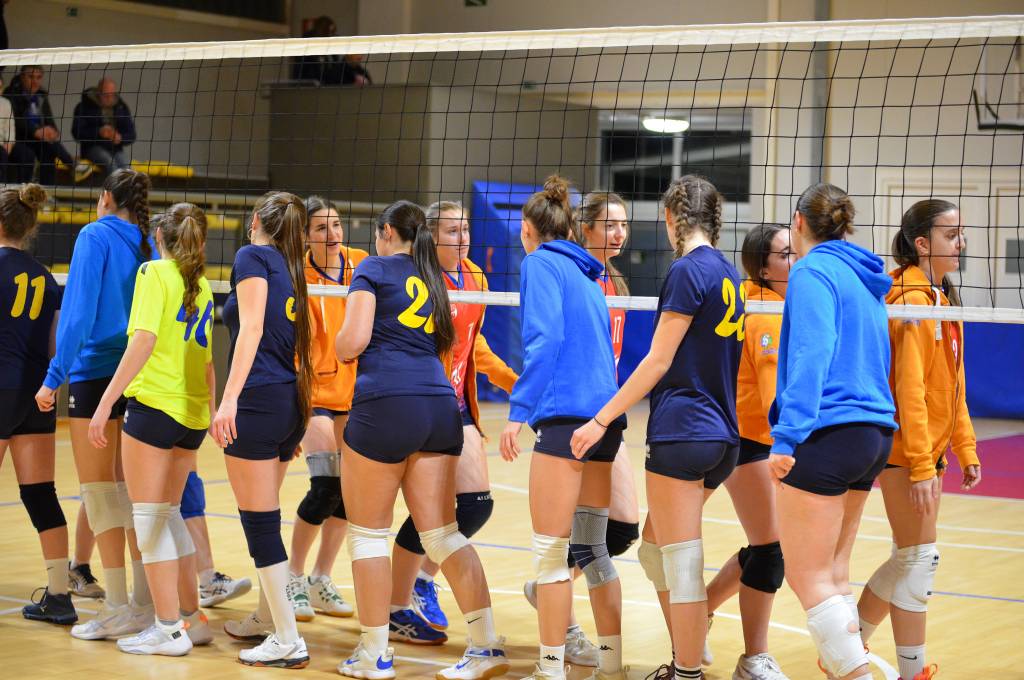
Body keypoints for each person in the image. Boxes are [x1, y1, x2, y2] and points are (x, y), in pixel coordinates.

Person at [571, 175, 745, 680]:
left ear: (672, 218)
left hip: (683, 431)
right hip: (722, 435)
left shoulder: (687, 270)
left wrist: (600, 419)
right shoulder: (728, 272)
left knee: (681, 563)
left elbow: (657, 361)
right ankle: (690, 642)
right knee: (653, 551)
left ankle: (686, 670)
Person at [336, 200, 508, 680]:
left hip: (384, 405)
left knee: (368, 536)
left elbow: (353, 341)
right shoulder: (437, 278)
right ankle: (485, 646)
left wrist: (339, 346)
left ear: (387, 232)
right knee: (444, 534)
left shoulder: (372, 268)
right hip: (439, 406)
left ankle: (374, 654)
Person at [766, 183, 896, 680]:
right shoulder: (865, 276)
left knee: (808, 577)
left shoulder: (811, 271)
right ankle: (846, 665)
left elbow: (813, 353)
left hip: (829, 432)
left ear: (799, 222)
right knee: (835, 575)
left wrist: (786, 436)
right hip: (873, 433)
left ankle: (856, 673)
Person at [499, 177, 625, 680]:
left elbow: (545, 340)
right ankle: (611, 663)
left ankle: (550, 670)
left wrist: (517, 410)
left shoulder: (539, 263)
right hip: (604, 423)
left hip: (566, 425)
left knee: (551, 556)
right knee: (592, 550)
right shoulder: (587, 273)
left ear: (527, 230)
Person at [856, 200, 980, 680]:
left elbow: (953, 384)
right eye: (952, 235)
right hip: (907, 451)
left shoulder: (939, 296)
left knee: (910, 558)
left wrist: (965, 447)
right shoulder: (908, 298)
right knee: (918, 560)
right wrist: (923, 464)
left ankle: (848, 647)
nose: (961, 243)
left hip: (928, 449)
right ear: (923, 244)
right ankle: (894, 665)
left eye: (961, 233)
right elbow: (908, 389)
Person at [85, 203, 215, 656]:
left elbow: (143, 341)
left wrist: (106, 402)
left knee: (149, 519)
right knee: (170, 514)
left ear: (159, 236)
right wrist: (210, 410)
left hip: (156, 407)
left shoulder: (153, 272)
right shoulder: (202, 284)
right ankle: (192, 619)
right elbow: (208, 362)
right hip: (192, 414)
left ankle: (168, 629)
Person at [387, 200, 517, 645]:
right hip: (422, 404)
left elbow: (474, 345)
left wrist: (514, 383)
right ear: (430, 235)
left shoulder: (475, 276)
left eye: (465, 230)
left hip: (458, 407)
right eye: (452, 232)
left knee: (476, 505)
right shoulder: (419, 279)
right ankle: (395, 607)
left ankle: (423, 579)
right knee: (429, 514)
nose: (462, 239)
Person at [35, 168, 155, 641]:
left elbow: (79, 313)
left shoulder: (94, 235)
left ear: (105, 197)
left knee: (100, 493)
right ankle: (144, 604)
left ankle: (119, 606)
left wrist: (53, 377)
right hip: (138, 374)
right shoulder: (149, 241)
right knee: (132, 494)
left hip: (95, 373)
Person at [212, 192, 312, 668]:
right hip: (289, 401)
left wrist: (229, 398)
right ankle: (269, 617)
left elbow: (250, 329)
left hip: (258, 399)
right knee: (267, 518)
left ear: (255, 221)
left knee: (260, 525)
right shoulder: (292, 267)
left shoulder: (253, 256)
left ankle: (288, 638)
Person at [703, 224, 794, 680]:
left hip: (729, 433)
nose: (796, 261)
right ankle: (753, 659)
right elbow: (771, 390)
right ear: (763, 268)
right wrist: (789, 442)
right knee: (771, 550)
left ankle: (699, 610)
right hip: (750, 439)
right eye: (786, 254)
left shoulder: (750, 301)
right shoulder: (764, 315)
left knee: (767, 546)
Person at [285, 195, 365, 621]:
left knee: (350, 495)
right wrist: (296, 413)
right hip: (315, 397)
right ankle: (293, 576)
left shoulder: (360, 264)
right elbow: (294, 348)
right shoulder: (297, 275)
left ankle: (320, 578)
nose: (332, 234)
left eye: (336, 225)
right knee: (325, 489)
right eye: (321, 228)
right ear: (305, 236)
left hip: (353, 398)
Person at [0, 183, 75, 625]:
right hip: (34, 393)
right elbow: (54, 344)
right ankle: (60, 596)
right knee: (40, 494)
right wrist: (50, 387)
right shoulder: (45, 277)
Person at [4, 65, 77, 184]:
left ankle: (47, 190)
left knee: (49, 149)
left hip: (37, 139)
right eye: (31, 77)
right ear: (22, 77)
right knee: (28, 154)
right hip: (18, 138)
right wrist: (35, 131)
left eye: (38, 77)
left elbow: (49, 119)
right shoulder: (11, 94)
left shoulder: (41, 95)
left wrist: (53, 131)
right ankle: (72, 164)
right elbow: (14, 120)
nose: (35, 81)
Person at [72, 77, 136, 175]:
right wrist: (99, 132)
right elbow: (77, 132)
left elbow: (132, 134)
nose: (109, 98)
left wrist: (120, 138)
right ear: (98, 93)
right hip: (92, 148)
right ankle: (114, 185)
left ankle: (127, 185)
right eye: (105, 95)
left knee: (127, 167)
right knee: (110, 162)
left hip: (115, 149)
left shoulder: (121, 107)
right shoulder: (84, 107)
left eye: (112, 95)